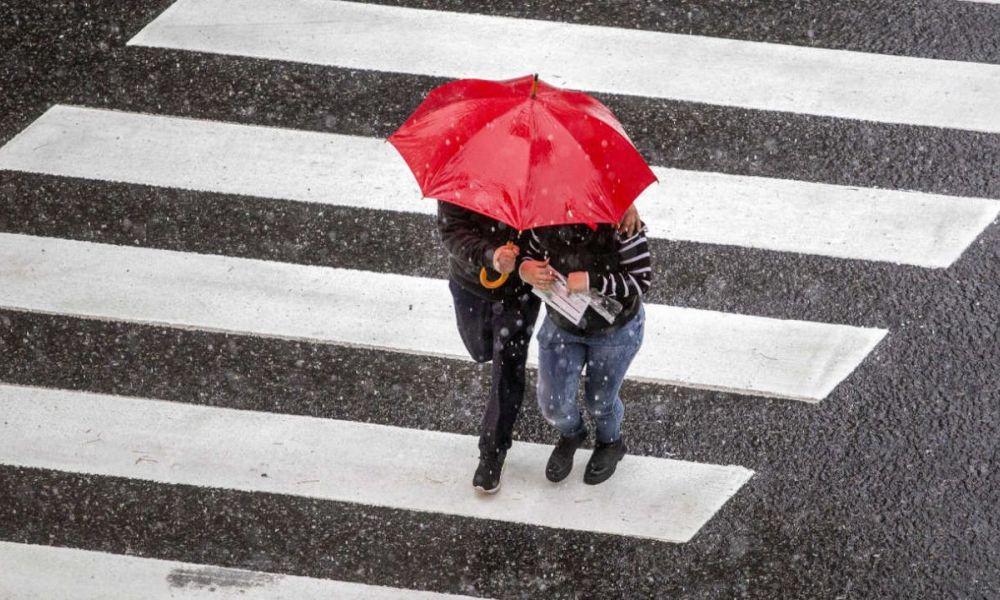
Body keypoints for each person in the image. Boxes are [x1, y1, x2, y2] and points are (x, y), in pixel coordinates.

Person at [438, 202, 641, 493]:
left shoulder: (543, 171)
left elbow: (587, 181)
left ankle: (493, 451)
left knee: (507, 364)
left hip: (520, 290)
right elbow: (452, 230)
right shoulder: (462, 172)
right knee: (480, 350)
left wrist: (625, 203)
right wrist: (491, 255)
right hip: (470, 281)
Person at [519, 219, 651, 485]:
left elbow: (641, 280)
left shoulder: (621, 220)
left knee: (600, 401)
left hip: (615, 331)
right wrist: (526, 268)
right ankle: (572, 434)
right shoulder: (541, 217)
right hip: (562, 323)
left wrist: (594, 280)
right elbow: (529, 253)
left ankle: (610, 442)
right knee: (553, 404)